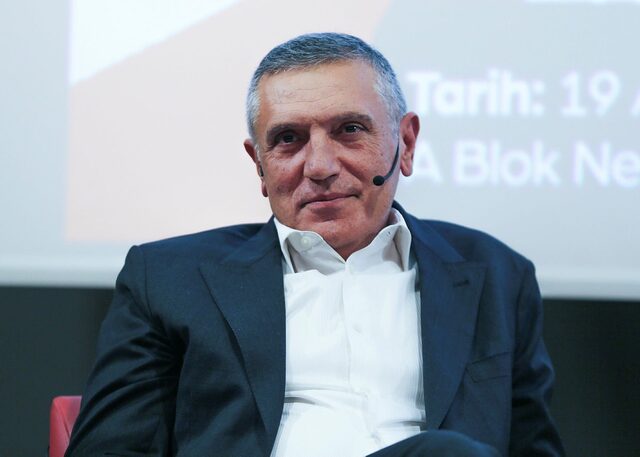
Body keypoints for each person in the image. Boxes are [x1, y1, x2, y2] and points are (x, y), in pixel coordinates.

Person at [66, 33, 564, 456]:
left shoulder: (497, 276)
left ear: (406, 144)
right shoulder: (169, 280)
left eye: (350, 130)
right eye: (288, 139)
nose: (320, 166)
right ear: (259, 165)